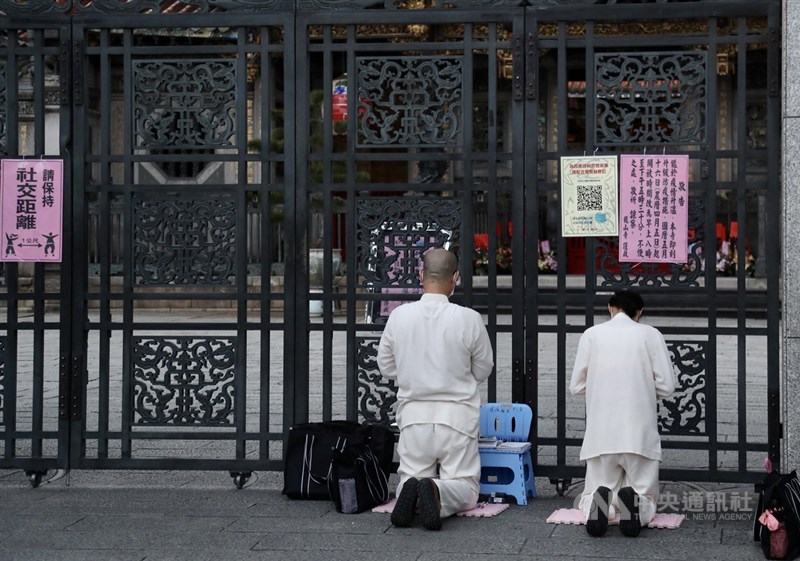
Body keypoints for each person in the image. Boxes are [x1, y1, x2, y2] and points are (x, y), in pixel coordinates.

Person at [377, 248, 494, 531]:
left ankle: (415, 490)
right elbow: (483, 369)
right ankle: (438, 491)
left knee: (411, 475)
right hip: (457, 418)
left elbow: (387, 366)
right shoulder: (469, 318)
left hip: (414, 415)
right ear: (456, 277)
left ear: (421, 275)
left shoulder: (399, 316)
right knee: (465, 487)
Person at [569, 289, 675, 538]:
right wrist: (644, 389)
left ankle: (598, 503)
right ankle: (638, 506)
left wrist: (600, 388)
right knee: (645, 492)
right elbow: (667, 386)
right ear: (639, 312)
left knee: (594, 489)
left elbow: (576, 386)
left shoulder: (592, 335)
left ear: (610, 307)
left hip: (601, 436)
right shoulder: (651, 334)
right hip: (639, 435)